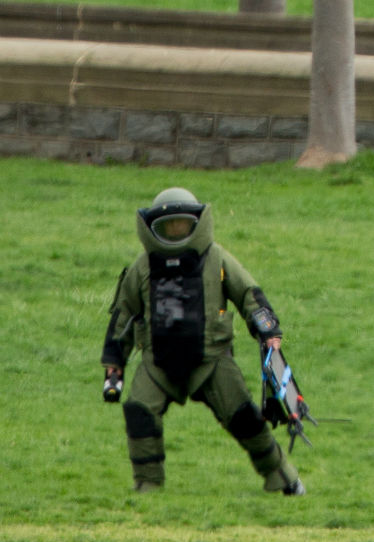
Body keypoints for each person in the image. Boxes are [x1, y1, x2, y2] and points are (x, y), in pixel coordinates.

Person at [101, 187, 305, 495]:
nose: (175, 231)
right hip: (157, 363)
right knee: (139, 411)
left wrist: (268, 331)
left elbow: (249, 295)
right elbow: (123, 317)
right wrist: (114, 363)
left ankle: (283, 476)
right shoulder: (142, 267)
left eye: (182, 224)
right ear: (153, 228)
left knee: (244, 419)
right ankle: (147, 485)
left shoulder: (217, 258)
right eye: (168, 226)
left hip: (212, 361)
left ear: (196, 223)